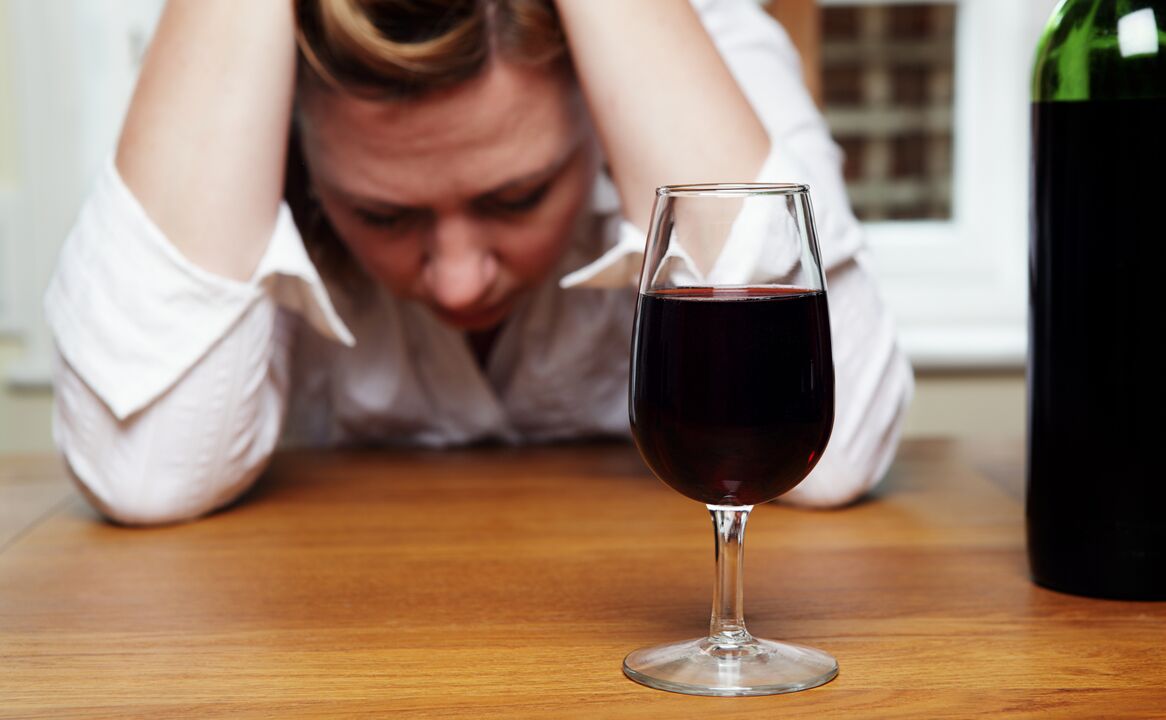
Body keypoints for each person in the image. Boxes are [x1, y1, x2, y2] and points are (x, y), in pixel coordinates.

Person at [45, 0, 914, 525]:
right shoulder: (245, 75)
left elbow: (829, 458)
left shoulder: (693, 37)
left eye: (517, 197)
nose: (459, 279)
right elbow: (148, 471)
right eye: (383, 213)